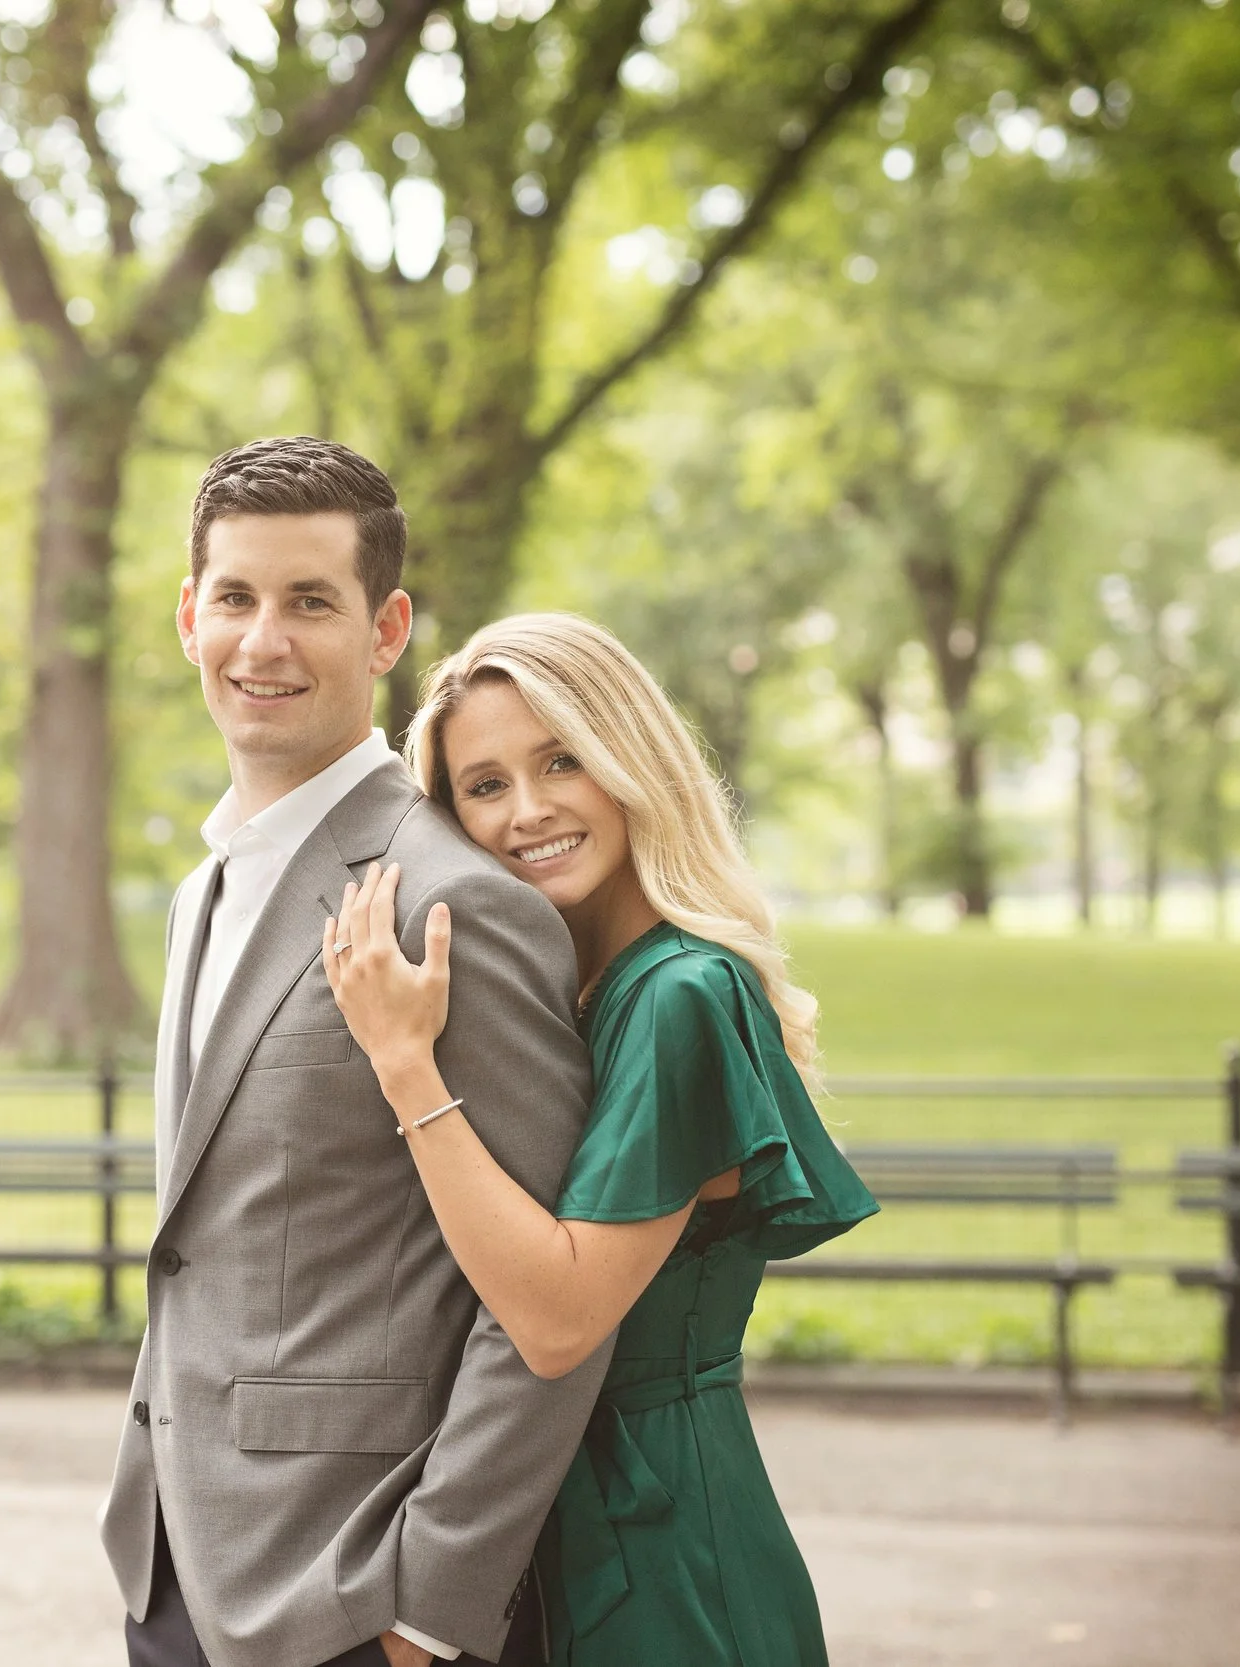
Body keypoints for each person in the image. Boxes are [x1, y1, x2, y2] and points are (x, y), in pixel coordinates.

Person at [103, 440, 613, 1667]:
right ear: (188, 616)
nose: (262, 641)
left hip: (351, 1589)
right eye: (235, 597)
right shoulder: (203, 891)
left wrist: (431, 1607)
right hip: (172, 1560)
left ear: (386, 630)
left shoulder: (456, 897)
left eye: (309, 602)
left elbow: (546, 1303)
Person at [321, 612, 879, 1667]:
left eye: (560, 760)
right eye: (484, 786)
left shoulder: (683, 993)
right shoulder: (588, 996)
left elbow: (556, 1319)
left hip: (665, 1548)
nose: (527, 810)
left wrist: (403, 1064)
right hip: (559, 1529)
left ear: (632, 760)